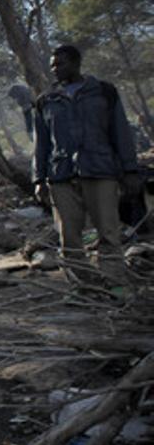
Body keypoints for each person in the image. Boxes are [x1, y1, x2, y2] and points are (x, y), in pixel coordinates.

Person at [34, 44, 140, 289]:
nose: (55, 69)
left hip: (100, 170)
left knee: (108, 233)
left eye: (60, 64)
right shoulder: (46, 100)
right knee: (69, 237)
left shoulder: (103, 92)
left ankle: (115, 284)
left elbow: (120, 132)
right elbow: (41, 145)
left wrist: (130, 170)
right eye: (52, 65)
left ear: (76, 63)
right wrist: (39, 179)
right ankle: (82, 287)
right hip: (61, 176)